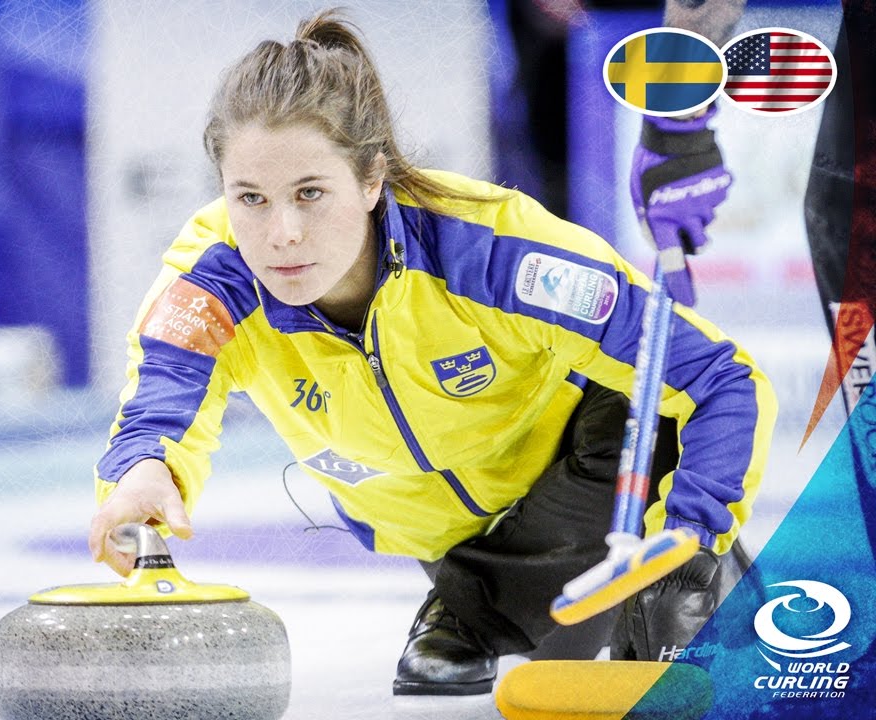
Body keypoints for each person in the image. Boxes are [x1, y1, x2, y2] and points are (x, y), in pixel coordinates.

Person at [87, 8, 776, 696]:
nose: (282, 234)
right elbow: (160, 401)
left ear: (370, 179)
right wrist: (146, 475)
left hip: (589, 485)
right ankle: (472, 601)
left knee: (641, 427)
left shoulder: (492, 252)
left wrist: (690, 542)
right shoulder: (215, 278)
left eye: (310, 193)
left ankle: (613, 595)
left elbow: (719, 377)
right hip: (447, 540)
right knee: (558, 648)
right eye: (251, 199)